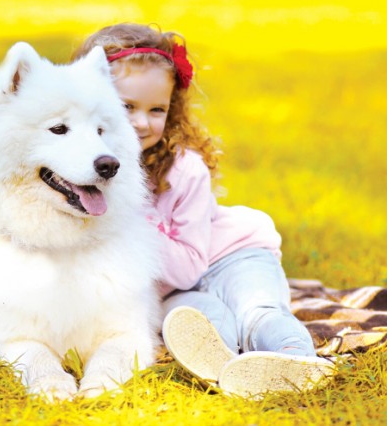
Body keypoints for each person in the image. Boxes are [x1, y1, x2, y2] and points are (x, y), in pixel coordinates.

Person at [72, 23, 335, 398]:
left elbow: (189, 265)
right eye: (126, 106)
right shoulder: (82, 174)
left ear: (171, 111)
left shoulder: (185, 169)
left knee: (257, 310)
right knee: (198, 322)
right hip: (172, 290)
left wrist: (128, 220)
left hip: (231, 256)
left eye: (156, 109)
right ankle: (235, 369)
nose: (142, 122)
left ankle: (297, 359)